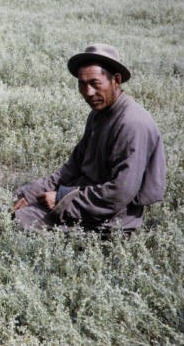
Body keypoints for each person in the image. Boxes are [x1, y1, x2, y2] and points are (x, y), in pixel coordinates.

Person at [13, 44, 166, 233]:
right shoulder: (99, 114)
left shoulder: (132, 124)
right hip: (86, 201)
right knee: (17, 199)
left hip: (114, 220)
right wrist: (32, 193)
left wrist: (62, 198)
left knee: (19, 221)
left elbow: (119, 194)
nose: (88, 92)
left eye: (95, 83)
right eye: (82, 84)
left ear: (116, 80)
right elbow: (72, 168)